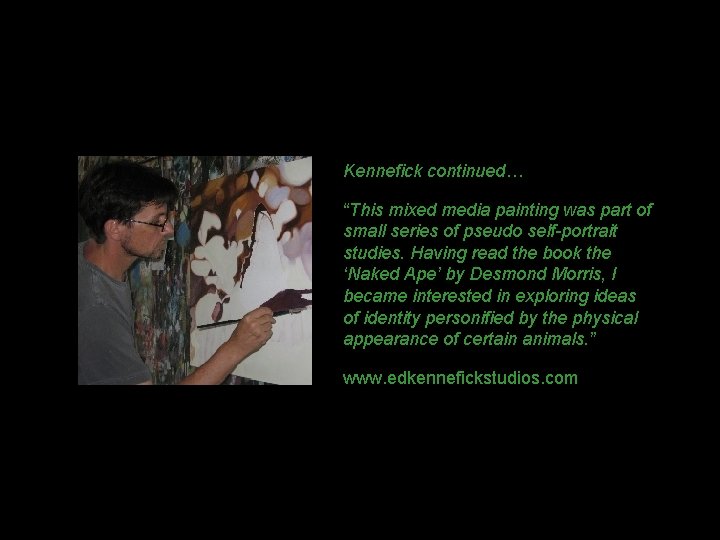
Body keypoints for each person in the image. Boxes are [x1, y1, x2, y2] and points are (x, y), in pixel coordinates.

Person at [78, 160, 275, 385]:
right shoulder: (97, 311)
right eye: (157, 222)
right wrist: (236, 348)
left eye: (167, 219)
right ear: (115, 228)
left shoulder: (88, 260)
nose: (169, 229)